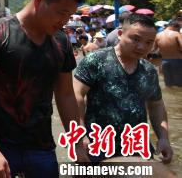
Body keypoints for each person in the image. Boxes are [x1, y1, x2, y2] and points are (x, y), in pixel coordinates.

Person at [0, 0, 88, 178]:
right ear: (40, 0)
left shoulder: (61, 42)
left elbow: (65, 94)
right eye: (61, 12)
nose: (65, 21)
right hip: (0, 146)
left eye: (70, 15)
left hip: (41, 147)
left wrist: (77, 139)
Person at [74, 14, 173, 162]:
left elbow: (156, 105)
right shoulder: (95, 61)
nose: (142, 47)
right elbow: (77, 97)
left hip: (137, 147)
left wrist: (164, 138)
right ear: (120, 34)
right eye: (136, 39)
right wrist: (79, 137)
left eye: (149, 42)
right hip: (98, 147)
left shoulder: (149, 70)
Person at [155, 20, 182, 87]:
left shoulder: (158, 35)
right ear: (175, 26)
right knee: (179, 85)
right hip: (177, 61)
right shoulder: (176, 34)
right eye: (179, 28)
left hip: (164, 62)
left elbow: (154, 49)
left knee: (169, 85)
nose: (179, 30)